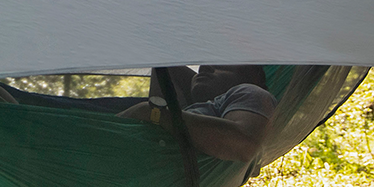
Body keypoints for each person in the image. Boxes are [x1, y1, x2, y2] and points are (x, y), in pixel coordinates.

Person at [116, 65, 276, 162]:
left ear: (252, 78)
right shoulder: (196, 110)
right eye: (205, 64)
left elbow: (244, 147)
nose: (204, 67)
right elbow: (166, 69)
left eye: (220, 65)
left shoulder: (250, 92)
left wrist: (154, 113)